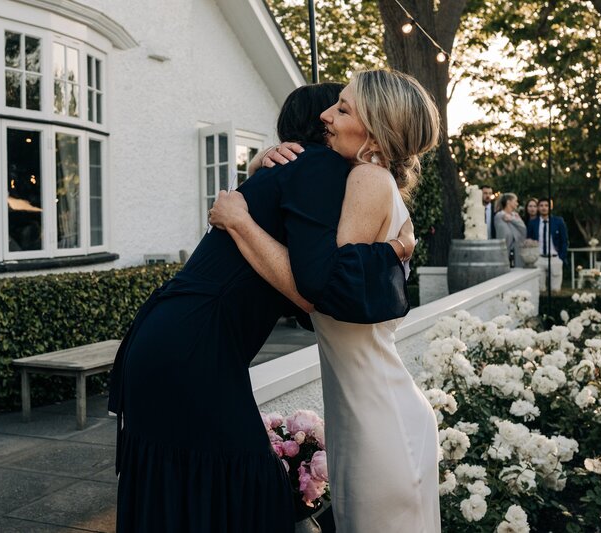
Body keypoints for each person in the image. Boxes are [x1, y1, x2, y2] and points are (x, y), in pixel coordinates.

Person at [107, 83, 414, 533]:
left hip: (169, 340)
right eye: (333, 107)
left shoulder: (286, 173)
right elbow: (318, 292)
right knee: (247, 490)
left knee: (200, 489)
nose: (333, 115)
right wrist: (392, 251)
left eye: (343, 108)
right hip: (193, 348)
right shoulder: (319, 168)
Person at [210, 70, 442, 533]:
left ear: (375, 132)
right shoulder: (373, 183)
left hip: (380, 421)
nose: (324, 115)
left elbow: (321, 288)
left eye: (342, 108)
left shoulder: (368, 179)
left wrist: (239, 221)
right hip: (369, 412)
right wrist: (262, 167)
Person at [526, 197, 568, 291]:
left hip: (554, 258)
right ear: (538, 208)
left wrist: (561, 257)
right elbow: (529, 240)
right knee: (540, 289)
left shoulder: (558, 221)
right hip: (539, 258)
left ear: (550, 207)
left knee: (555, 289)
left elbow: (564, 240)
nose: (544, 208)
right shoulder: (533, 223)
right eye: (541, 206)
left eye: (546, 205)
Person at [494, 193, 527, 267]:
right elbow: (506, 234)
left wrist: (512, 219)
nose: (517, 203)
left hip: (517, 252)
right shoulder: (499, 215)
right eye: (515, 201)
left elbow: (523, 229)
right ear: (508, 202)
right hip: (505, 251)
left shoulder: (515, 215)